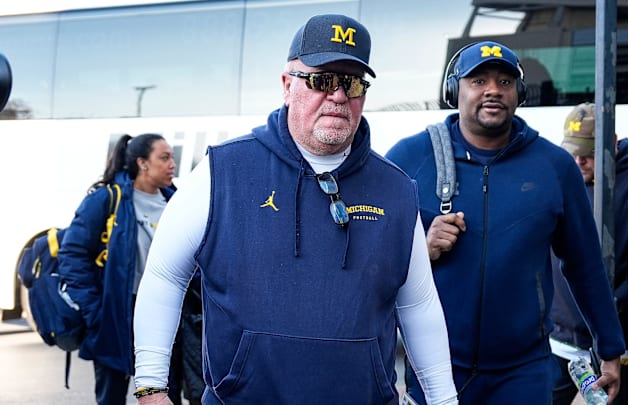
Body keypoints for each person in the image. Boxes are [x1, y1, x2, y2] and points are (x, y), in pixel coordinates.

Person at [132, 14, 458, 405]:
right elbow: (164, 277)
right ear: (288, 86)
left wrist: (443, 400)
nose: (338, 96)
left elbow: (419, 304)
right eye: (322, 80)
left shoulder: (398, 189)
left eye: (351, 83)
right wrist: (150, 386)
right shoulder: (223, 171)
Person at [385, 41, 626, 404]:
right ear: (455, 91)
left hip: (524, 372)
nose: (493, 90)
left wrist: (609, 347)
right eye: (478, 81)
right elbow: (370, 260)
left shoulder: (555, 166)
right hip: (434, 368)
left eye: (505, 81)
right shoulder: (409, 158)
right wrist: (420, 247)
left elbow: (585, 265)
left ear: (520, 93)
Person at [57, 134, 179, 404]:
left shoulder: (176, 203)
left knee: (163, 394)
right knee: (111, 397)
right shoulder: (106, 200)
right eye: (165, 157)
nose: (173, 164)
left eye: (172, 157)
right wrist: (95, 311)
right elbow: (72, 254)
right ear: (142, 163)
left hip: (163, 316)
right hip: (114, 316)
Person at [550, 102, 628, 405]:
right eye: (573, 152)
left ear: (612, 143)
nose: (579, 161)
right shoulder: (560, 175)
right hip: (560, 338)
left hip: (616, 340)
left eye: (590, 154)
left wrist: (616, 304)